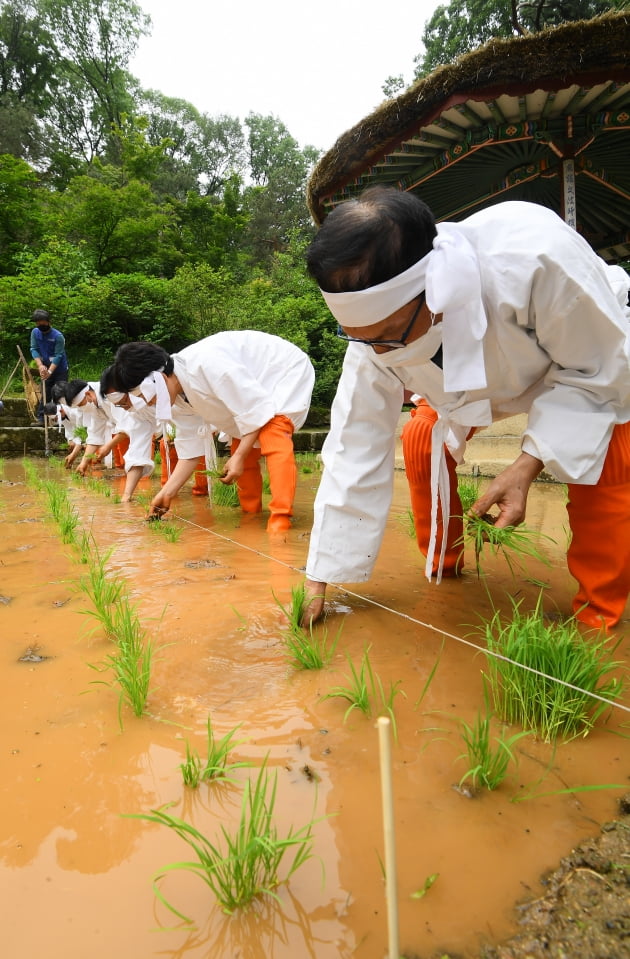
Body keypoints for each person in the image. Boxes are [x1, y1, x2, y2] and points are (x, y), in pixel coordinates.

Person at [301, 186, 630, 633]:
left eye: (389, 333)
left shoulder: (535, 256)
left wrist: (527, 465)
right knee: (419, 438)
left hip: (580, 363)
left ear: (430, 288)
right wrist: (321, 571)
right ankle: (445, 562)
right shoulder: (374, 342)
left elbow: (599, 371)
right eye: (361, 337)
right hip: (468, 390)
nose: (378, 351)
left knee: (611, 458)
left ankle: (598, 614)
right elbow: (353, 443)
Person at [110, 331, 316, 530]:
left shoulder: (209, 364)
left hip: (281, 370)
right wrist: (167, 493)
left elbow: (256, 410)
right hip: (252, 394)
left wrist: (239, 456)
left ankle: (280, 521)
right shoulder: (175, 398)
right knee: (239, 443)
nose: (147, 401)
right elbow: (190, 452)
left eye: (143, 393)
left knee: (273, 431)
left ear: (157, 378)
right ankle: (251, 516)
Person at [29, 309, 69, 424]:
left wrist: (50, 372)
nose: (41, 325)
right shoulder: (35, 333)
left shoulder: (58, 336)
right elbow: (34, 349)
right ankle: (42, 418)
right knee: (45, 392)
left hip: (60, 369)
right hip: (45, 367)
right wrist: (40, 365)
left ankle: (60, 420)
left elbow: (58, 355)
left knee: (59, 394)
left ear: (48, 321)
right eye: (38, 323)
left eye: (43, 322)